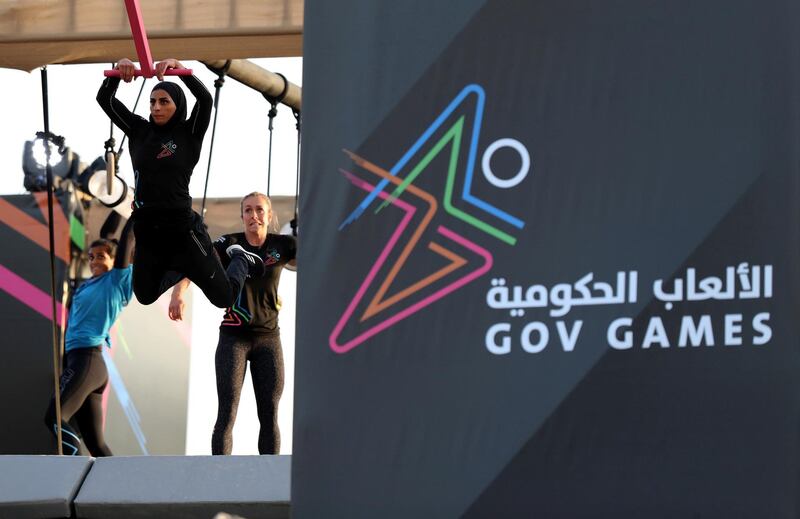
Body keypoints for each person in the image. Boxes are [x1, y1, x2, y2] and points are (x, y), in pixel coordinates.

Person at [96, 57, 262, 309]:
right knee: (144, 295)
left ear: (178, 105)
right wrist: (118, 73)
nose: (156, 107)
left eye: (164, 102)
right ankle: (186, 268)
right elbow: (104, 100)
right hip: (148, 229)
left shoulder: (189, 134)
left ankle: (239, 257)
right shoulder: (139, 130)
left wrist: (180, 71)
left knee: (225, 299)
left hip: (182, 231)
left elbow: (205, 99)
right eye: (152, 102)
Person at [169, 192, 297, 454]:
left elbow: (320, 254)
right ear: (242, 216)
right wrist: (178, 293)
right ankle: (219, 480)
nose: (254, 216)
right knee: (227, 412)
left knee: (270, 414)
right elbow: (197, 264)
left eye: (260, 210)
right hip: (233, 339)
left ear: (270, 215)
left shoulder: (283, 245)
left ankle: (268, 480)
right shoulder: (230, 243)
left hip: (268, 339)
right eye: (248, 210)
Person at [43, 232, 133, 456]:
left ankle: (73, 477)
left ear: (114, 261)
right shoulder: (87, 285)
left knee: (54, 417)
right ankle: (117, 488)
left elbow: (124, 243)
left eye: (101, 256)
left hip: (88, 360)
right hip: (81, 362)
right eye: (91, 257)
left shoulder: (117, 280)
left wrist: (135, 211)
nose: (94, 262)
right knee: (96, 444)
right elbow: (108, 232)